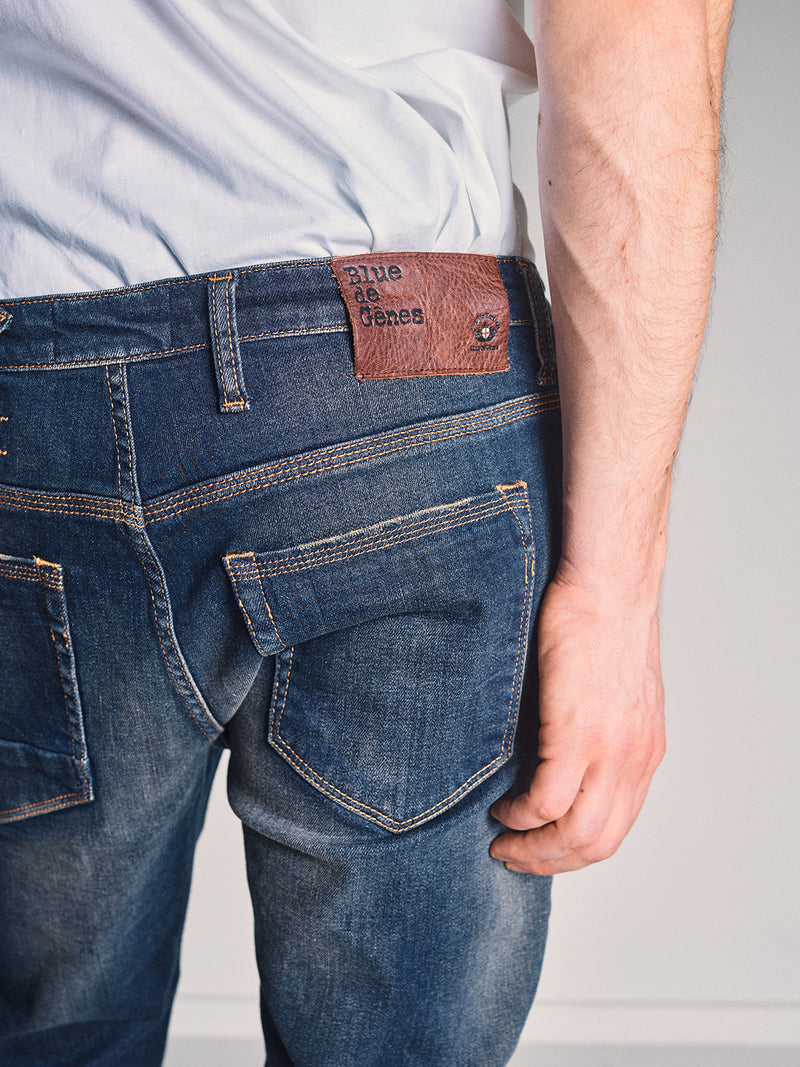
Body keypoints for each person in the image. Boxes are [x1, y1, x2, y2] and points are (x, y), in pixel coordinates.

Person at [0, 2, 732, 1065]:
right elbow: (636, 53)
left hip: (35, 373)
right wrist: (613, 588)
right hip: (402, 381)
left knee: (41, 1029)